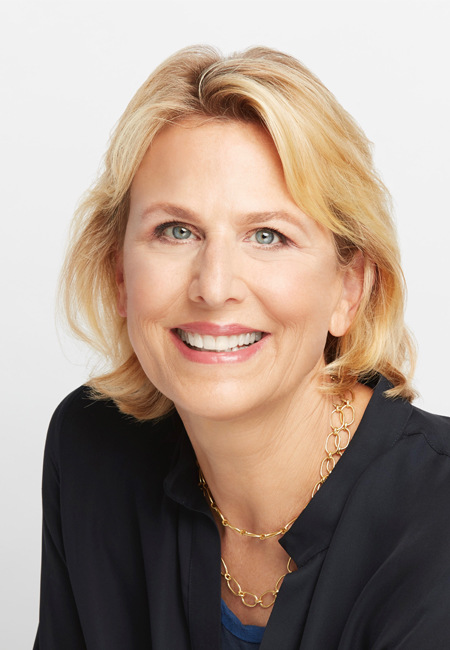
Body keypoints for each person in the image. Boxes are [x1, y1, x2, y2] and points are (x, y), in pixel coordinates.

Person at [33, 46, 450, 650]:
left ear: (349, 287)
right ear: (119, 274)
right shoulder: (93, 451)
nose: (214, 286)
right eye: (176, 231)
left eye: (268, 236)